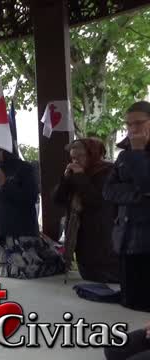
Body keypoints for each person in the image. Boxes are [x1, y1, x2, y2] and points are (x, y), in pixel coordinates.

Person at [0, 146, 64, 279]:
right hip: (3, 232)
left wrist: (6, 184)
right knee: (4, 275)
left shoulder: (24, 168)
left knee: (27, 271)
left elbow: (30, 197)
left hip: (21, 230)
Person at [103, 101, 150, 312]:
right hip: (126, 236)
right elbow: (108, 191)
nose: (132, 129)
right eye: (129, 124)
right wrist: (139, 194)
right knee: (128, 303)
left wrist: (139, 153)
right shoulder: (123, 155)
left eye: (138, 123)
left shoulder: (134, 153)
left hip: (147, 238)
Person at [52, 138, 119, 283]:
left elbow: (96, 200)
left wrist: (80, 176)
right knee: (89, 276)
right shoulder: (75, 174)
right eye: (73, 157)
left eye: (79, 157)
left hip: (102, 234)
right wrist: (65, 179)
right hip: (81, 236)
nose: (75, 161)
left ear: (92, 154)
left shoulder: (108, 171)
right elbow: (57, 199)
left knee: (105, 277)